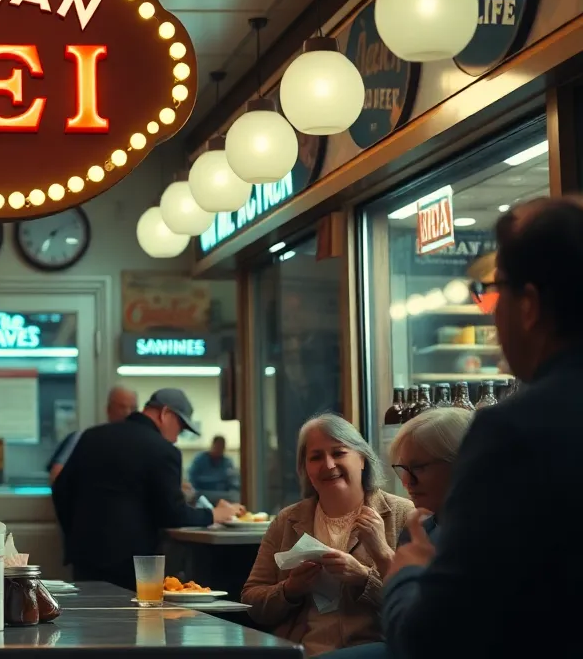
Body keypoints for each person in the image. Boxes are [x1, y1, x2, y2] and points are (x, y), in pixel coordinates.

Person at [383, 198, 583, 657]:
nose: (492, 315)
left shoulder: (514, 432)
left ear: (529, 304)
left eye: (498, 293)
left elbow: (434, 638)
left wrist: (409, 574)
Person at [241, 413, 412, 657]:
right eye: (316, 457)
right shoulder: (287, 521)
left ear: (362, 459)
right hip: (300, 651)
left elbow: (420, 611)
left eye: (339, 453)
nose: (329, 464)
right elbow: (252, 603)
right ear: (305, 469)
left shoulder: (403, 515)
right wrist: (290, 589)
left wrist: (364, 578)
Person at [52, 388, 241, 590]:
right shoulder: (163, 450)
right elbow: (172, 514)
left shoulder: (90, 437)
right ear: (165, 413)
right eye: (180, 428)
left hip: (84, 558)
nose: (177, 438)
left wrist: (74, 536)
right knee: (131, 620)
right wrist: (214, 514)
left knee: (90, 617)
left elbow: (61, 490)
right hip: (131, 564)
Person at [321, 408, 472, 659]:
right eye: (402, 468)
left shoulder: (483, 535)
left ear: (460, 463)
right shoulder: (423, 527)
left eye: (419, 468)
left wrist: (394, 565)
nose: (406, 482)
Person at [47, 385, 138, 483]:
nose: (128, 413)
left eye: (133, 408)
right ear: (109, 409)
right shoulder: (82, 438)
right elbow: (56, 477)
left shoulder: (142, 444)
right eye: (122, 407)